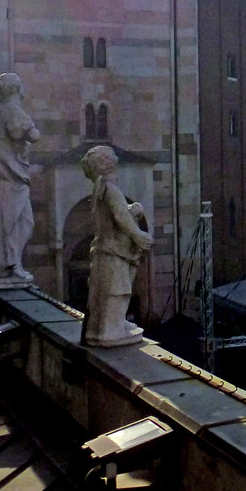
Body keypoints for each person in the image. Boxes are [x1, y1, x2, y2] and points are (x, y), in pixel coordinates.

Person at [80, 145, 153, 347]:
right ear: (107, 165)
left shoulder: (100, 189)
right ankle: (110, 330)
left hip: (106, 248)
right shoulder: (111, 190)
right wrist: (138, 235)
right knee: (117, 288)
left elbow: (117, 214)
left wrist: (132, 210)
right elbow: (120, 217)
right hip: (114, 250)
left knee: (105, 288)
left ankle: (108, 325)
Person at [0, 72, 40, 287]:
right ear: (17, 89)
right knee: (11, 222)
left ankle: (10, 263)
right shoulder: (11, 110)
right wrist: (31, 129)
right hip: (8, 175)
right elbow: (28, 135)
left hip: (6, 174)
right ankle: (5, 265)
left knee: (15, 221)